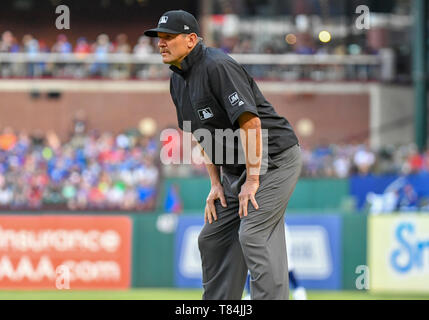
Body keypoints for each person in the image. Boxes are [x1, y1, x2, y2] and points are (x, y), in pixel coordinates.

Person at [144, 10, 302, 300]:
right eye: (159, 38)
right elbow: (201, 135)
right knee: (213, 238)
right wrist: (215, 184)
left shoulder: (217, 66)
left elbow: (251, 123)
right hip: (236, 170)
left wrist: (253, 179)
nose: (161, 43)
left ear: (191, 39)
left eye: (168, 37)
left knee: (254, 235)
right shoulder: (177, 80)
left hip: (273, 159)